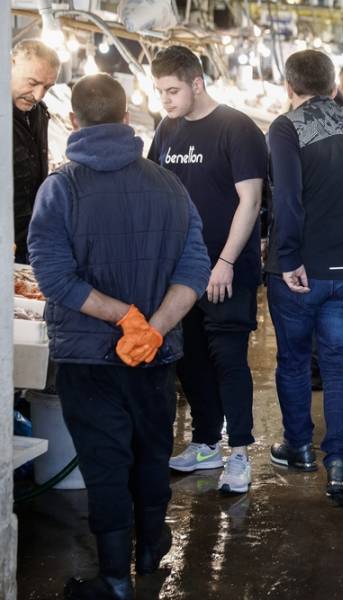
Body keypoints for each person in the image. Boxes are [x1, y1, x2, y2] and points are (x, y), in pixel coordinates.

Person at [28, 74, 210, 599]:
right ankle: (151, 549)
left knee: (106, 463)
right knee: (152, 452)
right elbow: (194, 269)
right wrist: (150, 328)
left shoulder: (59, 188)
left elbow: (56, 279)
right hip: (156, 356)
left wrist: (123, 319)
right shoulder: (169, 184)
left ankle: (114, 579)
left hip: (89, 359)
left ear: (73, 120)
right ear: (128, 118)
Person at [148, 46, 266, 494]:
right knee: (191, 359)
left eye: (173, 90)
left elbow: (250, 201)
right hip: (181, 272)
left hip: (226, 270)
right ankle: (204, 442)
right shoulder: (167, 128)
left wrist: (226, 262)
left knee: (229, 360)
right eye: (160, 91)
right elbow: (156, 189)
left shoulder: (236, 128)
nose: (167, 100)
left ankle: (238, 453)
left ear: (197, 83)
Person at [265, 50, 343, 503]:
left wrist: (287, 257)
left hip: (302, 270)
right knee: (340, 362)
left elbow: (288, 198)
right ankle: (339, 463)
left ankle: (299, 447)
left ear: (290, 87)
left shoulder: (286, 126)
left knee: (293, 360)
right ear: (333, 86)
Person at [11, 39, 59, 264]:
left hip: (28, 244)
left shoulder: (39, 113)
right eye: (32, 82)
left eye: (47, 87)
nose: (39, 95)